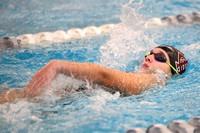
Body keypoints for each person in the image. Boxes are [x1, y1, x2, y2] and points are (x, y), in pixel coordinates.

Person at [0, 45, 188, 104]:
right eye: (149, 53)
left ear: (172, 71)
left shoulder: (154, 78)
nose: (149, 58)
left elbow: (102, 75)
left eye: (160, 57)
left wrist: (58, 66)